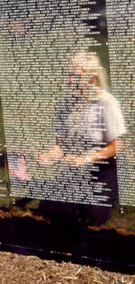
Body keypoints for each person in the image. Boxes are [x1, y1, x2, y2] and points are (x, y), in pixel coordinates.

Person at [37, 51, 126, 225]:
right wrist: (50, 156)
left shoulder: (107, 102)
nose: (71, 81)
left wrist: (86, 159)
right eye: (70, 75)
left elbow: (116, 145)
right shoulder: (65, 104)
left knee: (93, 217)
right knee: (52, 211)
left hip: (103, 170)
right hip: (76, 169)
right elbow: (61, 144)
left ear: (92, 79)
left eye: (77, 77)